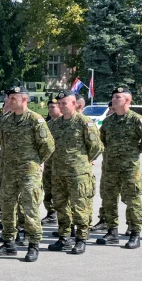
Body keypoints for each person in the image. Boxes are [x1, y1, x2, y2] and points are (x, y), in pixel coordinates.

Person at [0, 86, 55, 262]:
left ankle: (33, 244)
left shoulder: (36, 120)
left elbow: (48, 146)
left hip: (29, 172)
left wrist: (36, 162)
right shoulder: (6, 120)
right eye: (8, 98)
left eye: (13, 98)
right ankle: (8, 242)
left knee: (30, 207)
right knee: (6, 206)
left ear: (24, 100)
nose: (9, 102)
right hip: (9, 170)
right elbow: (3, 144)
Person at [96, 86, 142, 249]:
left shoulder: (137, 120)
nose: (114, 99)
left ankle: (135, 233)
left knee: (133, 200)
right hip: (111, 167)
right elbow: (103, 141)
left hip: (130, 168)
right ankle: (112, 232)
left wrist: (133, 152)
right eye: (113, 97)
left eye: (118, 97)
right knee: (109, 200)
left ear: (127, 100)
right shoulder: (108, 121)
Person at [47, 92, 101, 254]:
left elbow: (96, 147)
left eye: (65, 103)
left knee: (80, 207)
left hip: (78, 174)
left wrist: (82, 161)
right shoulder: (55, 124)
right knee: (61, 207)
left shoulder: (84, 122)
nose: (62, 106)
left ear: (74, 104)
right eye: (60, 103)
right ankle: (64, 237)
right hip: (59, 173)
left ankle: (81, 238)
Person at [42, 99, 63, 227]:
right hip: (49, 163)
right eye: (49, 107)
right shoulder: (48, 124)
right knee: (48, 188)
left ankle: (63, 218)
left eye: (53, 107)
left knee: (61, 192)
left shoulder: (65, 123)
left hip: (62, 164)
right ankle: (51, 213)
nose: (50, 109)